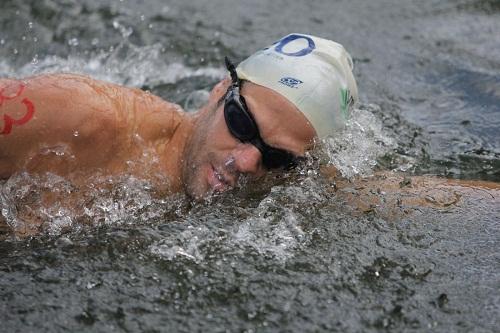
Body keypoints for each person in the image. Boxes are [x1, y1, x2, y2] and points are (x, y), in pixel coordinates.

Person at [1, 33, 499, 237]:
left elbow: (409, 197)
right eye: (241, 125)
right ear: (221, 89)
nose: (243, 163)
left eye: (277, 158)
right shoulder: (83, 117)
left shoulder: (279, 186)